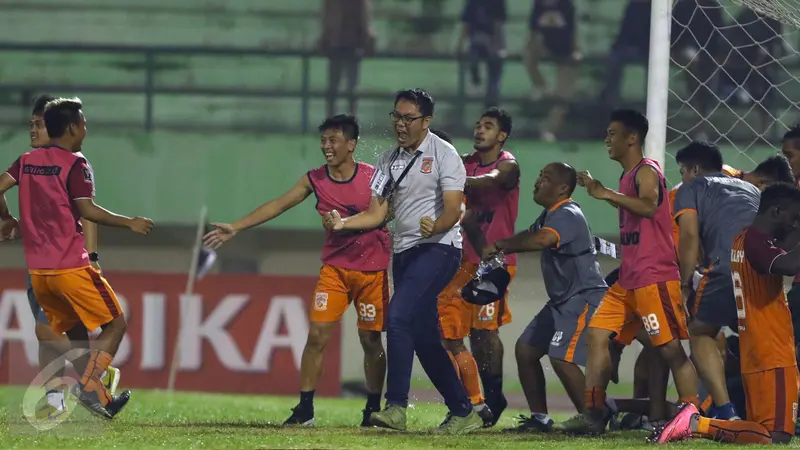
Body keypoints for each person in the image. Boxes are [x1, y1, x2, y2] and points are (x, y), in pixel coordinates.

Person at [203, 115, 388, 427]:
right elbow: (278, 204)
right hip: (336, 272)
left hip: (373, 272)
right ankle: (305, 409)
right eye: (324, 140)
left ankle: (372, 407)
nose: (326, 146)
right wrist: (236, 227)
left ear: (351, 145)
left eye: (333, 140)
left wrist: (343, 224)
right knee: (316, 335)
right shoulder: (315, 179)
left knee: (371, 341)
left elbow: (378, 215)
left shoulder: (374, 177)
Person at [323, 88, 482, 434]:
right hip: (405, 252)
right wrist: (343, 224)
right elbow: (377, 213)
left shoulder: (445, 154)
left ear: (426, 122)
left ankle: (395, 406)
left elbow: (455, 209)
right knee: (425, 337)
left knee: (397, 317)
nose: (400, 123)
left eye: (409, 117)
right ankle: (463, 411)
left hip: (440, 248)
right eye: (397, 116)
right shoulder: (386, 160)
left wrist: (435, 226)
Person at [0, 97, 153, 419]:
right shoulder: (76, 164)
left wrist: (7, 218)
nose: (85, 127)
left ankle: (98, 398)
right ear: (72, 128)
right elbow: (87, 211)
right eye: (83, 122)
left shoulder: (26, 160)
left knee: (76, 333)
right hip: (70, 266)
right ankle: (89, 384)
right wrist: (129, 222)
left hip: (40, 273)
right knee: (116, 324)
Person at [554, 109, 699, 434]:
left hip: (653, 278)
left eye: (612, 133)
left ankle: (692, 418)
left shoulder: (647, 171)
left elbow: (648, 206)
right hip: (628, 279)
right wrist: (602, 190)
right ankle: (594, 412)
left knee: (670, 349)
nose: (607, 139)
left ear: (632, 138)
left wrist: (605, 193)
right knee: (597, 334)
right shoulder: (626, 176)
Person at [653, 183, 800, 445]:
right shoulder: (757, 243)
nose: (794, 224)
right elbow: (789, 264)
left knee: (759, 430)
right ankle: (697, 423)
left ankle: (698, 423)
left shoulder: (744, 238)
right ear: (778, 211)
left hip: (758, 350)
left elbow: (786, 248)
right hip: (772, 352)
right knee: (776, 435)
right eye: (794, 217)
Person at [495, 162, 607, 432]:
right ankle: (540, 419)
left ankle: (593, 419)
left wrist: (502, 244)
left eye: (545, 178)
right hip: (561, 300)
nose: (537, 182)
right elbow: (533, 234)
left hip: (582, 296)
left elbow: (542, 240)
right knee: (526, 349)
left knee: (562, 357)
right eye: (539, 176)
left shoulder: (567, 212)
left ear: (563, 189)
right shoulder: (550, 214)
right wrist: (502, 244)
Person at [437, 107, 518, 427]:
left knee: (485, 334)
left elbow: (493, 181)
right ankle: (473, 402)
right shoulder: (465, 162)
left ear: (502, 135)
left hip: (495, 264)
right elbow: (464, 214)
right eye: (477, 124)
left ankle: (494, 395)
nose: (480, 129)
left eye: (488, 126)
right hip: (465, 261)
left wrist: (455, 179)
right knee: (453, 334)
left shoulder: (508, 165)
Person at [673, 141, 760, 420]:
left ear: (695, 169)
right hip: (762, 271)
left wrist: (685, 282)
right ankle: (770, 408)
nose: (682, 177)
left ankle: (725, 409)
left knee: (700, 330)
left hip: (725, 268)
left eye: (683, 171)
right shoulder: (750, 188)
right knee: (757, 337)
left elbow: (688, 235)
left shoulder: (692, 188)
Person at [321, 0, 374, 118]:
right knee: (344, 87)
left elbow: (327, 17)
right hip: (345, 44)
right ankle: (344, 118)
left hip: (346, 44)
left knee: (343, 87)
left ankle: (342, 118)